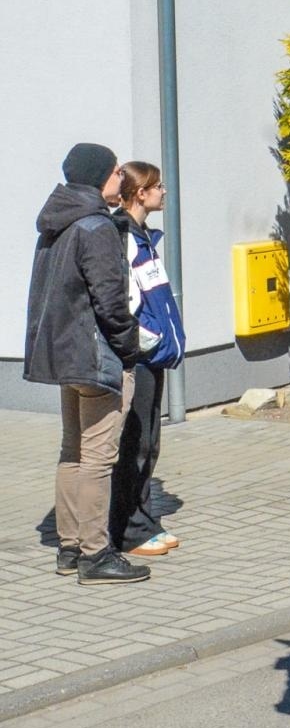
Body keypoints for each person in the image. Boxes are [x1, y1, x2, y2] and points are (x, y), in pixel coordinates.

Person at [25, 143, 149, 584]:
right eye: (117, 172)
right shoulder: (95, 227)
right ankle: (96, 555)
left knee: (72, 452)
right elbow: (111, 302)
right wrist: (129, 346)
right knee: (98, 458)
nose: (122, 179)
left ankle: (69, 547)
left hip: (65, 356)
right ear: (101, 177)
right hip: (96, 357)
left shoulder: (56, 223)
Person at [109, 162, 187, 558]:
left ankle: (144, 517)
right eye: (158, 186)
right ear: (140, 194)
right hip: (140, 356)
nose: (164, 192)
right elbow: (122, 301)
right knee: (134, 444)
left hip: (153, 356)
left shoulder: (143, 236)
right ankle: (128, 530)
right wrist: (147, 341)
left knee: (149, 443)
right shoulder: (123, 237)